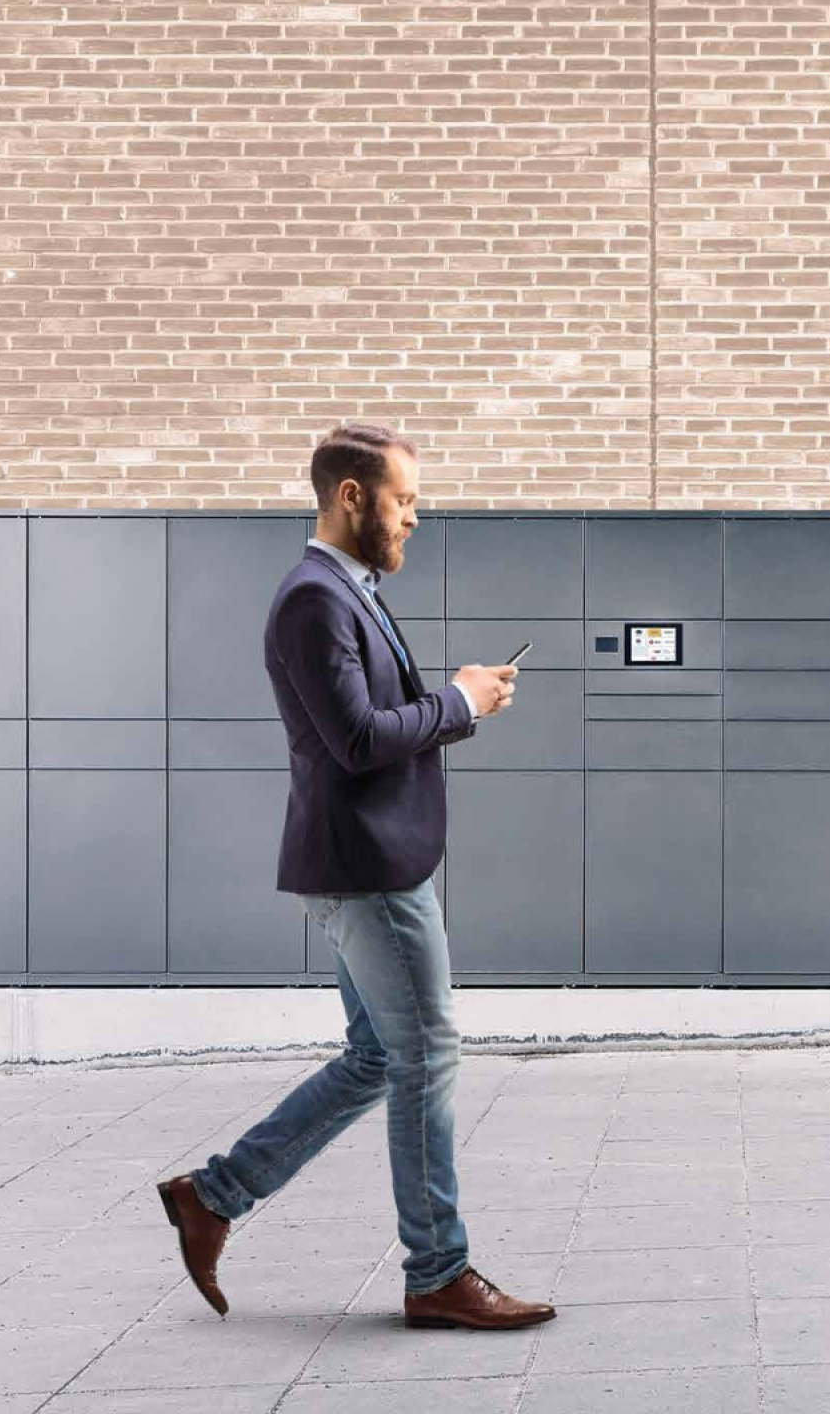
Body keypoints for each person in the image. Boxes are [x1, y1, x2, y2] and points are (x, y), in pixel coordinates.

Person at [152, 422, 554, 1331]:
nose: (414, 515)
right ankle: (438, 1273)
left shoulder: (347, 591)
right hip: (369, 868)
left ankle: (213, 1199)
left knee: (379, 1055)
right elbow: (357, 740)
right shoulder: (313, 599)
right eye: (404, 499)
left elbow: (372, 719)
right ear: (351, 497)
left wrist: (458, 697)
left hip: (364, 859)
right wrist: (457, 703)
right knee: (425, 1057)